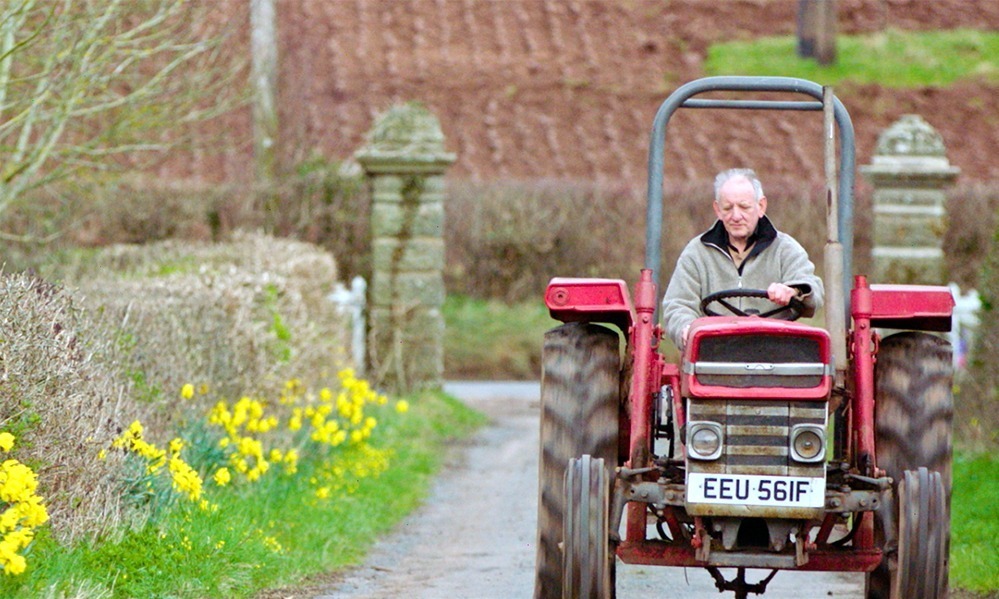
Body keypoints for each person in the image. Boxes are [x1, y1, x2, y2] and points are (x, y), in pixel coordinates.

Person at [661, 168, 824, 350]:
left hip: (774, 352)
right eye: (728, 208)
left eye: (744, 207)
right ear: (717, 210)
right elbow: (677, 304)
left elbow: (813, 291)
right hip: (715, 352)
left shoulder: (785, 249)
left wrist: (794, 290)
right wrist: (686, 329)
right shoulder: (697, 252)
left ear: (761, 206)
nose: (736, 216)